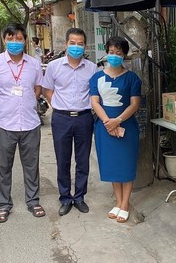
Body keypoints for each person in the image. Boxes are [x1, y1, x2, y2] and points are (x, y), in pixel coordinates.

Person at [0, 24, 45, 223]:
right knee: (3, 166)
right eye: (11, 38)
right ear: (4, 40)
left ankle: (33, 201)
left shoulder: (34, 64)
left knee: (31, 165)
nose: (15, 42)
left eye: (19, 38)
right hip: (4, 124)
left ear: (25, 40)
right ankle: (4, 204)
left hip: (30, 123)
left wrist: (25, 103)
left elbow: (37, 89)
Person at [42, 28, 97, 216]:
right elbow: (47, 89)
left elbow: (94, 94)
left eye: (80, 43)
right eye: (72, 43)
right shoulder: (54, 66)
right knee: (63, 159)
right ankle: (65, 198)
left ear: (85, 45)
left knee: (83, 160)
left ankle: (79, 197)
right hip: (61, 118)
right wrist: (57, 104)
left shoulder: (91, 68)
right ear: (66, 44)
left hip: (84, 118)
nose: (76, 47)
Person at [90, 36, 142, 223]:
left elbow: (135, 104)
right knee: (112, 164)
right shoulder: (97, 77)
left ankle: (125, 204)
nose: (114, 56)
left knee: (126, 164)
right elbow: (94, 102)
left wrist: (118, 120)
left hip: (126, 126)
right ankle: (118, 201)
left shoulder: (132, 78)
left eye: (118, 53)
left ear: (124, 55)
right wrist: (108, 122)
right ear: (106, 53)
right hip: (105, 128)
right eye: (111, 52)